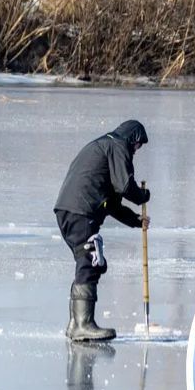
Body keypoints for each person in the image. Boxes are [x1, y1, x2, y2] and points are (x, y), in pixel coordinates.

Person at [53, 120, 150, 341]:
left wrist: (136, 220)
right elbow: (125, 186)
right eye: (138, 146)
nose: (136, 151)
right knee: (89, 260)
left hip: (69, 209)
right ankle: (83, 324)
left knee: (87, 260)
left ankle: (75, 323)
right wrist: (142, 196)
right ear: (132, 138)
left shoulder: (104, 147)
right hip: (81, 209)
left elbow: (112, 204)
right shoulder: (117, 146)